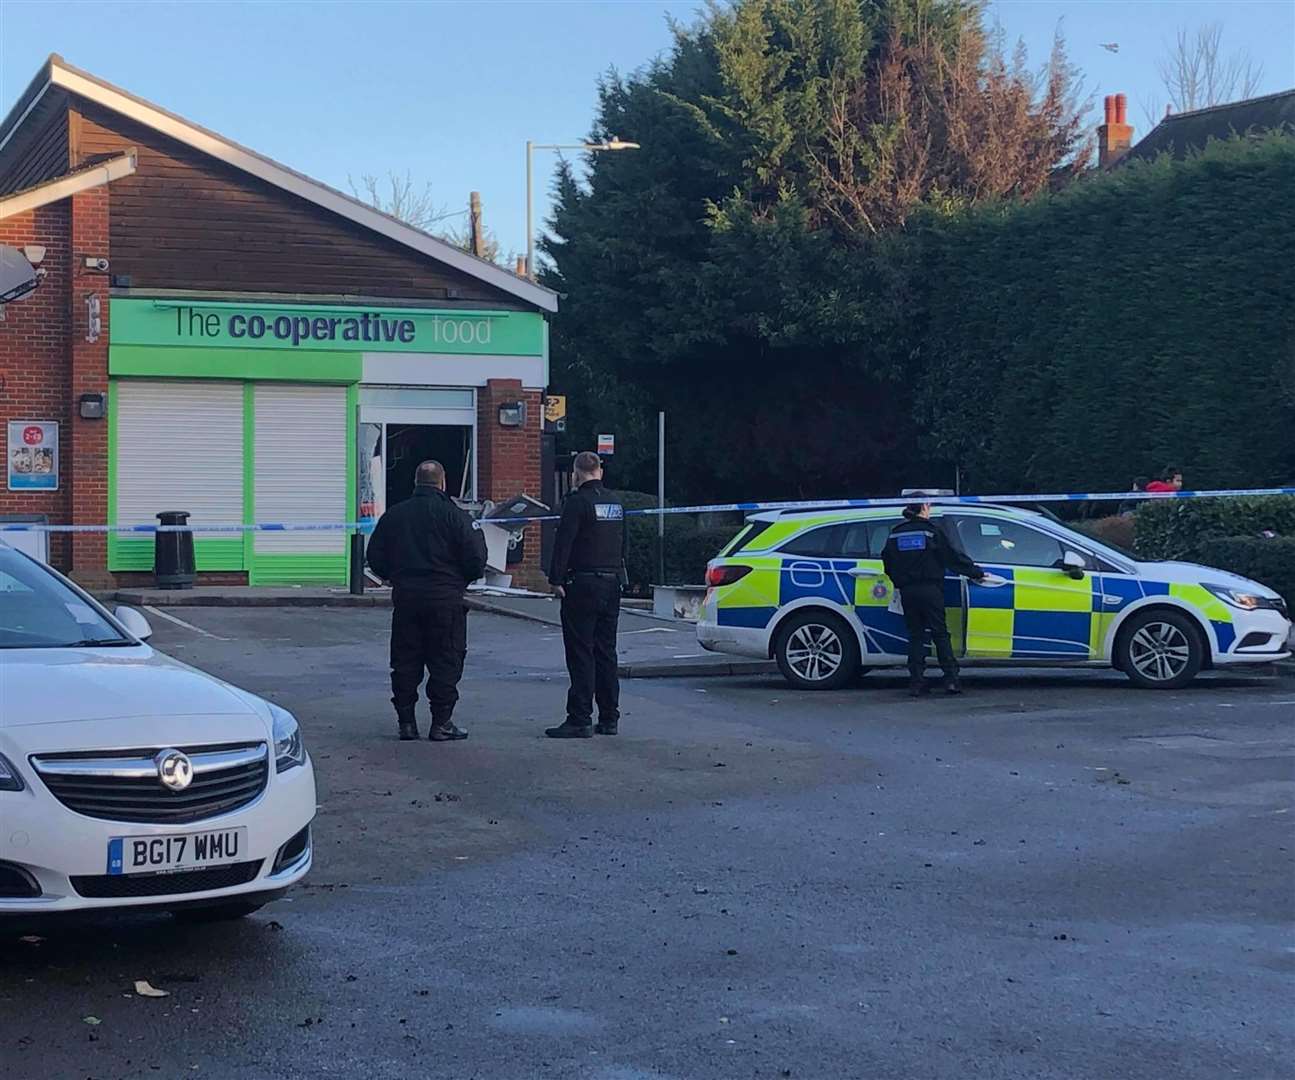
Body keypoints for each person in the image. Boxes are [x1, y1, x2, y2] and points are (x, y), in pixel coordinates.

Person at [366, 460, 487, 742]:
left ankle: (406, 723)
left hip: (407, 598)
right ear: (442, 483)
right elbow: (477, 559)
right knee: (446, 659)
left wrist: (394, 576)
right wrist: (460, 581)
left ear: (415, 483)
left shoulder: (395, 516)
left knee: (406, 660)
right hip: (445, 599)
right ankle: (441, 722)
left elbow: (375, 557)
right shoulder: (456, 516)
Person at [545, 451, 627, 739]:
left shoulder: (577, 503)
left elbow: (563, 543)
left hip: (582, 584)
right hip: (611, 583)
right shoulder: (615, 503)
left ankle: (579, 717)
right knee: (606, 652)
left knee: (581, 652)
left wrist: (555, 579)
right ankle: (609, 717)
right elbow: (621, 543)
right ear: (600, 472)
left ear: (576, 474)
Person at [882, 501, 986, 697]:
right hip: (931, 589)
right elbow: (951, 557)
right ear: (924, 508)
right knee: (940, 633)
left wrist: (899, 581)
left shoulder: (896, 533)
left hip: (908, 591)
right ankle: (951, 680)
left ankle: (916, 683)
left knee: (915, 636)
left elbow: (887, 561)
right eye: (928, 506)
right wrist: (976, 573)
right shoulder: (931, 531)